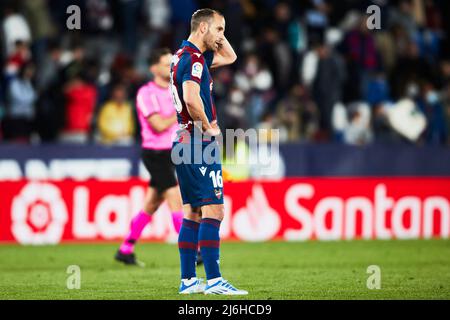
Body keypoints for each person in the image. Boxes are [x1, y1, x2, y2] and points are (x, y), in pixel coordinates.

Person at [170, 8, 247, 295]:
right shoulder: (194, 60)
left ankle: (188, 281)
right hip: (197, 141)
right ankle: (214, 281)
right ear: (202, 28)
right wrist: (209, 125)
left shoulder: (184, 56)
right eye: (218, 29)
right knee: (215, 209)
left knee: (193, 213)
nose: (221, 36)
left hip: (183, 142)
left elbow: (231, 57)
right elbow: (191, 99)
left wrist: (217, 38)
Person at [114, 48, 184, 266]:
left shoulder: (176, 90)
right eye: (165, 64)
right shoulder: (146, 93)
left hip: (173, 152)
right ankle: (192, 251)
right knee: (175, 198)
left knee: (151, 204)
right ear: (153, 68)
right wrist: (180, 110)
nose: (170, 67)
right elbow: (158, 124)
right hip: (155, 154)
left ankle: (125, 249)